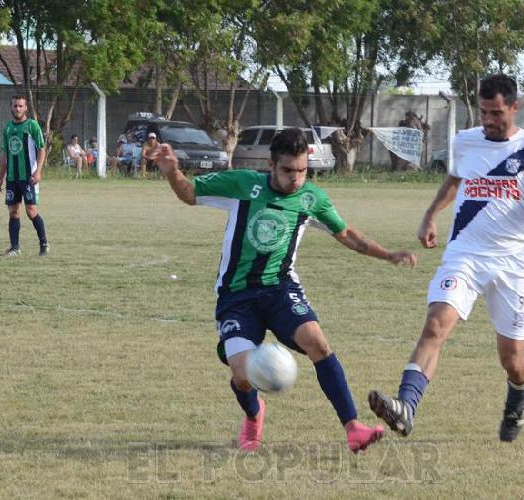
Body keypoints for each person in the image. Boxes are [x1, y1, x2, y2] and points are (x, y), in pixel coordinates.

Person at [146, 128, 417, 453]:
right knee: (242, 373)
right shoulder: (244, 185)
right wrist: (172, 170)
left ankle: (353, 427)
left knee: (318, 342)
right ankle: (254, 412)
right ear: (272, 165)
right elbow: (189, 193)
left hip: (280, 289)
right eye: (288, 170)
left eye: (302, 171)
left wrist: (387, 254)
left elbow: (346, 234)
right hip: (237, 296)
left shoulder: (310, 198)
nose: (296, 178)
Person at [367, 74, 524, 443]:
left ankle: (518, 396)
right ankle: (406, 406)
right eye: (484, 112)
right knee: (435, 325)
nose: (488, 120)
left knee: (512, 358)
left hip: (513, 263)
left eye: (496, 113)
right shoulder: (465, 141)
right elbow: (455, 180)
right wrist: (430, 215)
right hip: (466, 254)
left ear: (514, 108)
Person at [0, 94, 50, 257]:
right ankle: (14, 248)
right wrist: (0, 177)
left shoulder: (32, 126)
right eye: (15, 106)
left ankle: (44, 243)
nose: (17, 109)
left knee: (31, 211)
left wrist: (38, 171)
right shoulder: (7, 128)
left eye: (20, 106)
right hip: (12, 178)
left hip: (29, 177)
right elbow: (5, 154)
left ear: (25, 108)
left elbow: (42, 149)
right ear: (11, 108)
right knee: (13, 212)